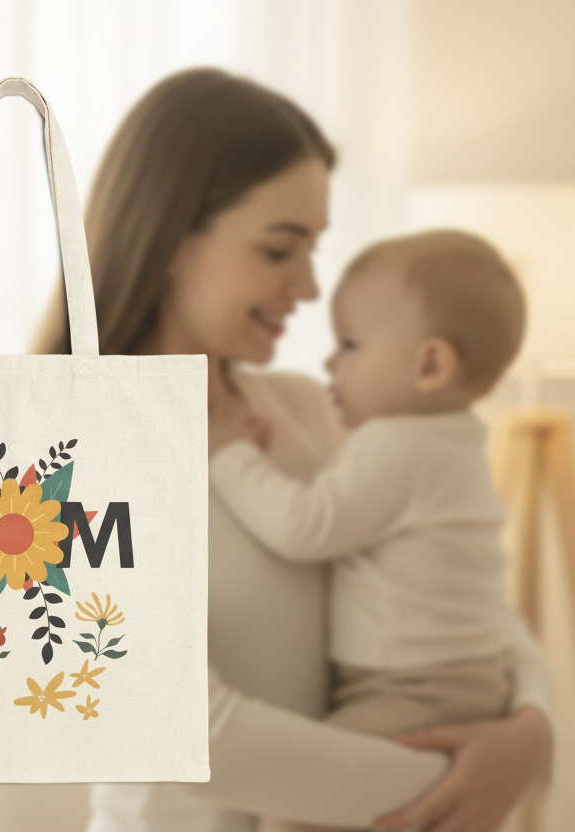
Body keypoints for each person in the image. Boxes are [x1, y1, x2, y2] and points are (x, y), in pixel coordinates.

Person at [34, 68, 552, 832]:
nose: (310, 288)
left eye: (315, 248)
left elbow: (458, 597)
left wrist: (535, 731)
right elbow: (183, 731)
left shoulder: (319, 411)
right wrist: (461, 780)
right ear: (172, 237)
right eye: (281, 250)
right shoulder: (55, 447)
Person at [208, 230, 542, 832]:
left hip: (414, 690)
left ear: (431, 364)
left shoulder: (390, 441)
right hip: (460, 678)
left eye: (350, 344)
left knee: (286, 817)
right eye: (280, 247)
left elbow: (304, 526)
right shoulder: (452, 440)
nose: (329, 362)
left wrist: (231, 456)